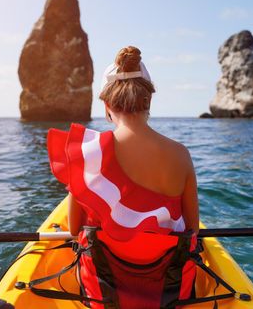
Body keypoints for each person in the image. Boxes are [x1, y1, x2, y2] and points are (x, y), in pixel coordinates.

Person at [46, 46, 202, 308]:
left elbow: (74, 230)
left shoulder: (88, 154)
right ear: (148, 101)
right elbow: (192, 228)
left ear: (107, 105)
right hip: (166, 291)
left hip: (104, 292)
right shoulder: (180, 155)